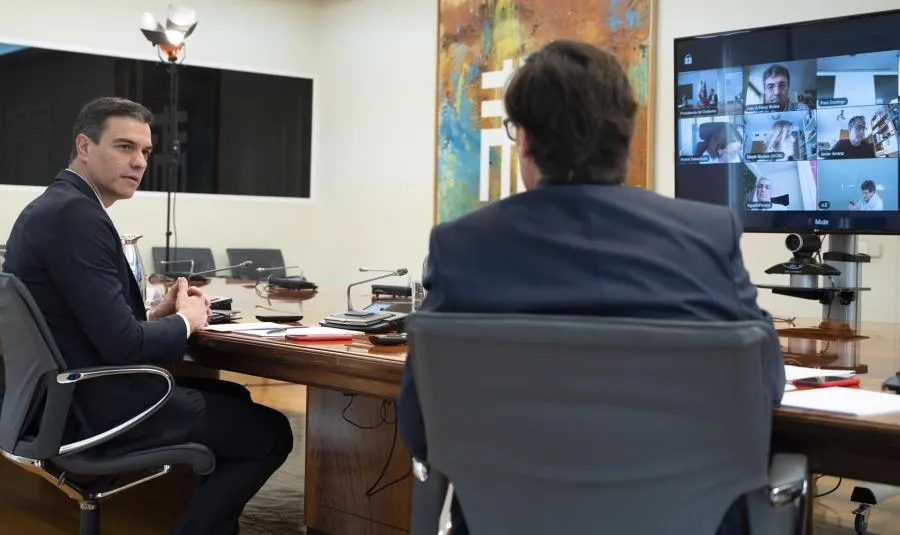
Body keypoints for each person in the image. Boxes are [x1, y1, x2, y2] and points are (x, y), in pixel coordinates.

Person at [397, 40, 784, 534]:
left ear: (527, 141)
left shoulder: (461, 247)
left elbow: (420, 423)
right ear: (624, 136)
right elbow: (764, 387)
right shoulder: (708, 234)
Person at [2, 96, 293, 535]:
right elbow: (125, 346)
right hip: (95, 408)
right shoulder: (77, 217)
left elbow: (85, 322)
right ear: (84, 146)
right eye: (124, 147)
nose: (139, 162)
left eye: (145, 152)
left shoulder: (58, 207)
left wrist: (160, 312)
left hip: (61, 400)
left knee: (237, 401)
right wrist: (188, 321)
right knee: (271, 432)